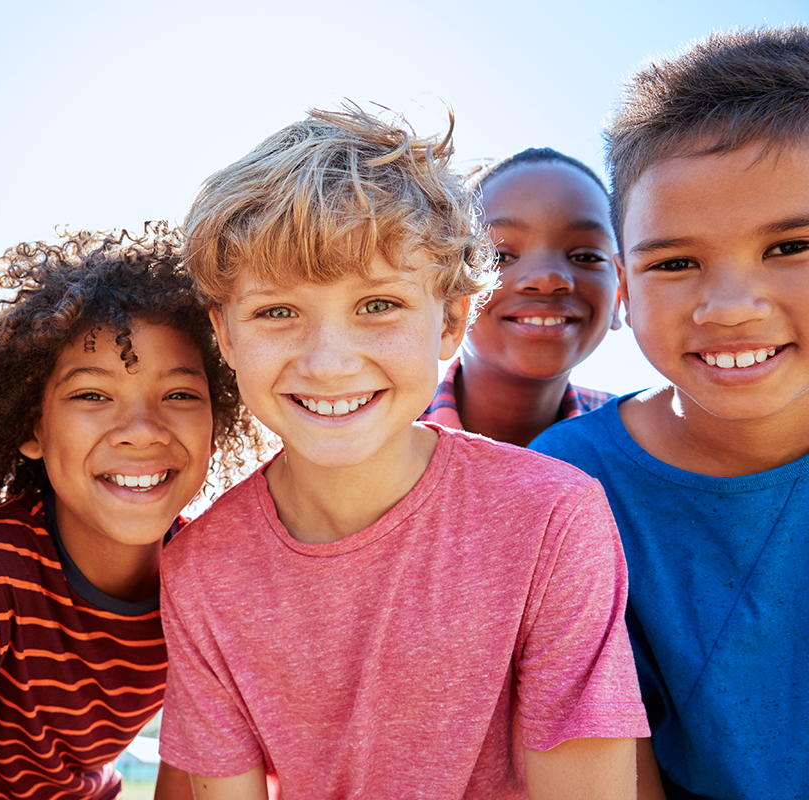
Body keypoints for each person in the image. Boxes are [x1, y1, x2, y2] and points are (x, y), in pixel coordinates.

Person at [158, 105, 649, 799]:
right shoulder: (199, 570)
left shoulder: (553, 518)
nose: (328, 363)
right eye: (277, 312)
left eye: (378, 305)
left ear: (450, 319)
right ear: (226, 335)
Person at [0, 226, 265, 800]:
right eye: (93, 396)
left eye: (179, 395)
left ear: (216, 418)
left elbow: (194, 776)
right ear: (33, 427)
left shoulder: (209, 582)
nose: (142, 432)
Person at [530, 26, 809, 800]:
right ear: (622, 286)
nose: (729, 308)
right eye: (675, 263)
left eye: (791, 246)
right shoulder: (571, 485)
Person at [421, 148, 620, 445]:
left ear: (619, 296)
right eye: (499, 255)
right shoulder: (377, 438)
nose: (547, 278)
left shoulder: (646, 446)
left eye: (586, 256)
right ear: (450, 292)